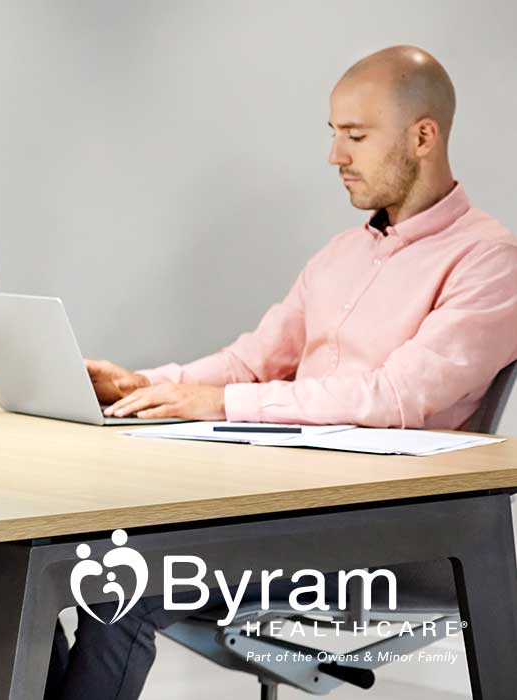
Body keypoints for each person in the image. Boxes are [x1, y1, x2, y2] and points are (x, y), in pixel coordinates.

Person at [60, 46, 517, 700]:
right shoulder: (338, 256)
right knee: (50, 557)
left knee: (122, 585)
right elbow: (253, 359)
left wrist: (219, 403)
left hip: (379, 537)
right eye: (333, 134)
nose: (336, 156)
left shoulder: (488, 260)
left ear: (423, 137)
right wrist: (144, 385)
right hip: (281, 509)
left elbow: (395, 398)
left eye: (356, 136)